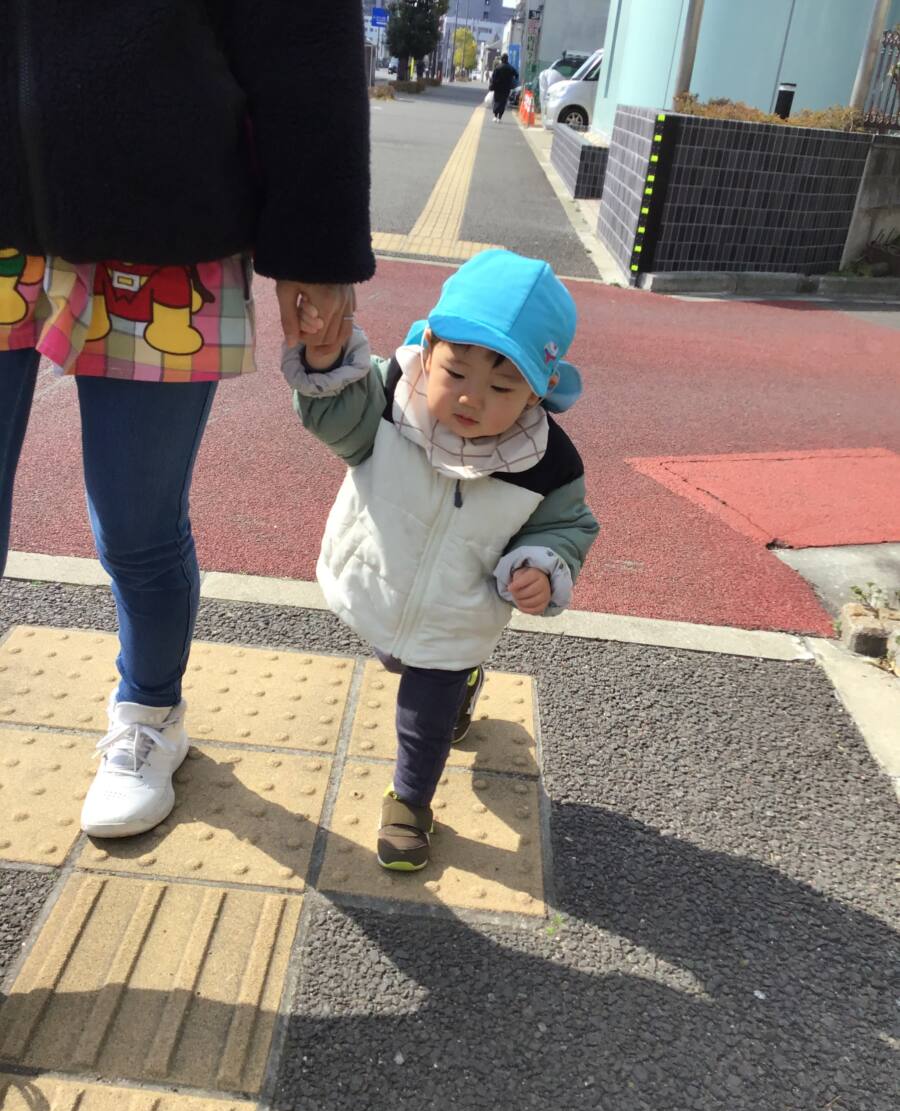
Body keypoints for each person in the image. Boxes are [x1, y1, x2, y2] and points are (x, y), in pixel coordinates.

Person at [0, 1, 374, 838]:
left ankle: (150, 710)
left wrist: (315, 244)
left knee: (136, 522)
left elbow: (304, 34)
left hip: (167, 222)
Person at [283, 249, 599, 871]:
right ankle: (463, 684)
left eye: (502, 387)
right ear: (428, 350)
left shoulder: (548, 463)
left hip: (459, 614)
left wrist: (541, 565)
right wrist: (326, 361)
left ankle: (409, 801)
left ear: (538, 392)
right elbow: (332, 416)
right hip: (382, 581)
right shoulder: (389, 398)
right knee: (395, 656)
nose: (471, 400)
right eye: (456, 372)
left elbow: (566, 525)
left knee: (422, 714)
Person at [489, 53, 519, 122]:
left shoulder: (498, 67)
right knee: (503, 102)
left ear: (501, 59)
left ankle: (495, 116)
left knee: (497, 101)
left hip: (497, 88)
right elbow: (516, 75)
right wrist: (512, 81)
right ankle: (500, 118)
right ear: (507, 59)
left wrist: (492, 85)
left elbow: (493, 78)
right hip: (506, 88)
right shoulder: (510, 68)